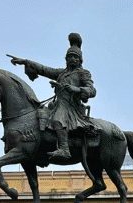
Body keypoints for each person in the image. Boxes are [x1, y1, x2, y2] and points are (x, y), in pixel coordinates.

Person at [9, 32, 95, 162]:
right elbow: (44, 69)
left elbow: (92, 90)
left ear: (80, 60)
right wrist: (25, 61)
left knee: (58, 119)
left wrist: (76, 89)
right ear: (66, 59)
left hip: (72, 107)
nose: (72, 59)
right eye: (70, 57)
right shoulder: (61, 73)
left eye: (75, 57)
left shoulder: (83, 73)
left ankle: (64, 149)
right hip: (58, 104)